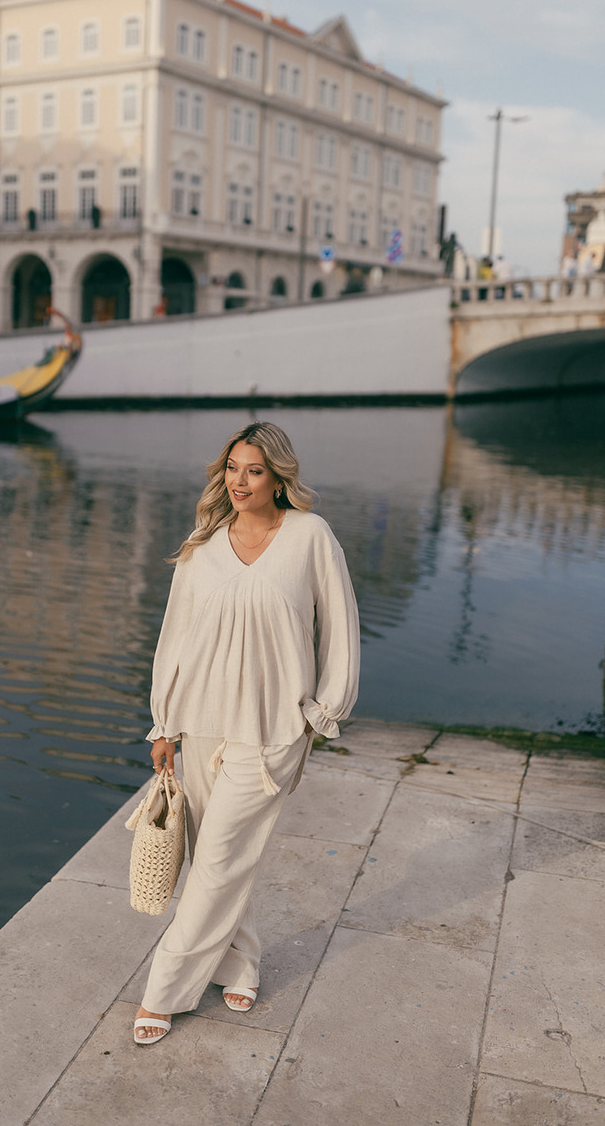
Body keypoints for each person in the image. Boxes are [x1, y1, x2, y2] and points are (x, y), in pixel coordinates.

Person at [134, 421, 360, 1045]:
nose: (239, 481)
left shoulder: (311, 537)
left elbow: (339, 627)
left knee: (217, 864)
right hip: (202, 725)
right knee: (218, 860)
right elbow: (175, 639)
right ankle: (241, 962)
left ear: (278, 477)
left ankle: (163, 992)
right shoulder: (202, 545)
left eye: (254, 470)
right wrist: (165, 724)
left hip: (272, 731)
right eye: (232, 468)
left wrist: (324, 711)